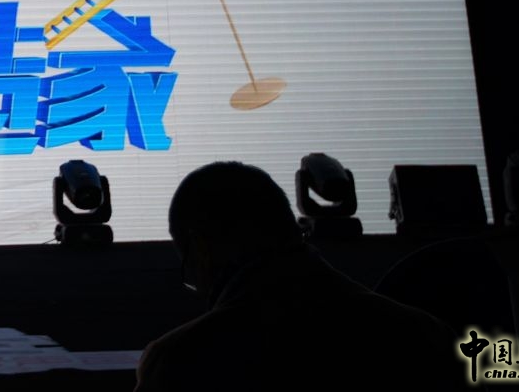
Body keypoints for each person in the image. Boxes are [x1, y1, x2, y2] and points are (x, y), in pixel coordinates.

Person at [135, 161, 467, 391]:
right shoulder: (428, 335)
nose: (201, 289)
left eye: (191, 272)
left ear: (201, 247)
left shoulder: (180, 361)